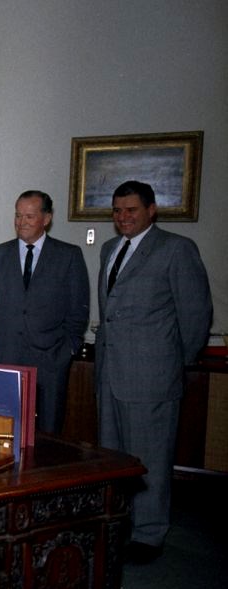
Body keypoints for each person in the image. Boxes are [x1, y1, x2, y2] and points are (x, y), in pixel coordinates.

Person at [96, 180, 211, 562]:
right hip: (111, 375)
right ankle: (121, 525)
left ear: (151, 210)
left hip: (153, 377)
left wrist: (172, 366)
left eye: (131, 210)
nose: (123, 217)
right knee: (115, 458)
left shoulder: (177, 250)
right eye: (117, 210)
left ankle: (149, 534)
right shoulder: (111, 250)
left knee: (150, 460)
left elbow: (195, 317)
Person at [0, 190, 89, 433]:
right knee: (3, 434)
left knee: (47, 435)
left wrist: (68, 350)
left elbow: (78, 310)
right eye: (18, 216)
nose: (21, 222)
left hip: (50, 362)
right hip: (5, 359)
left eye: (29, 216)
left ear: (46, 219)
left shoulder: (68, 256)